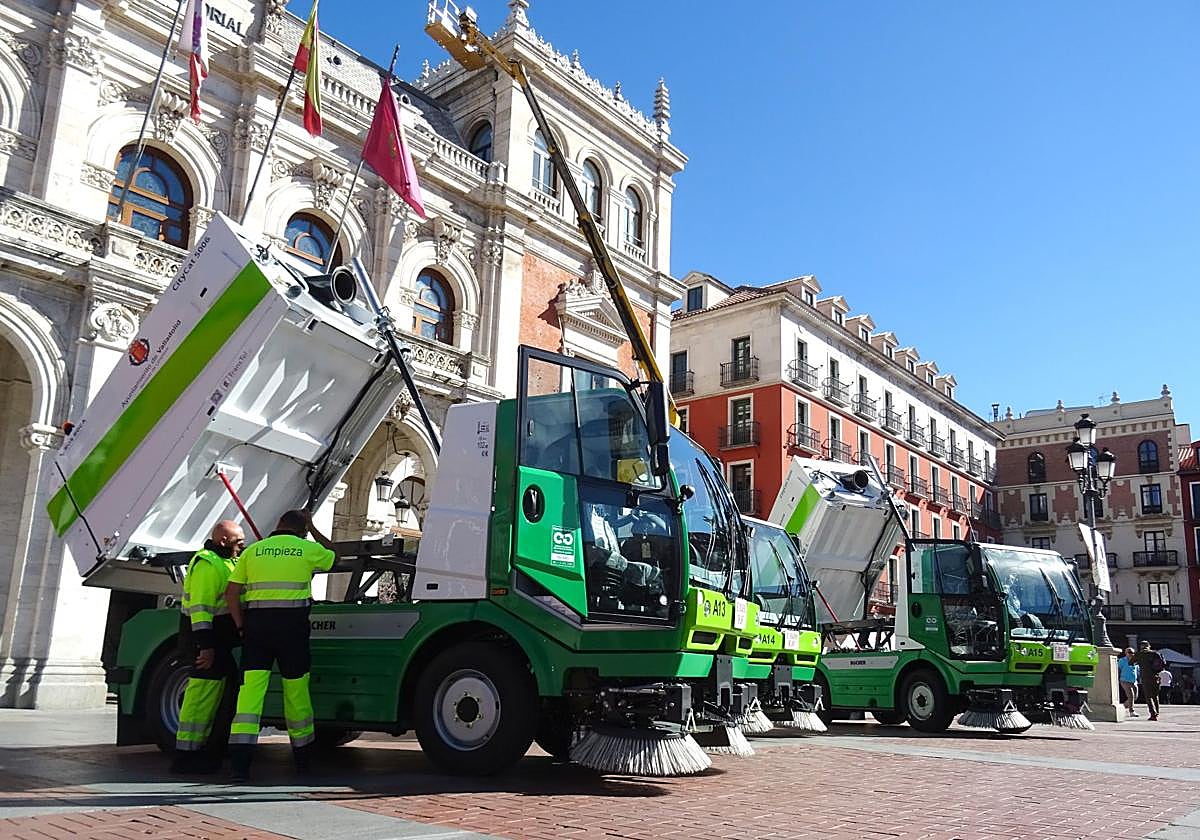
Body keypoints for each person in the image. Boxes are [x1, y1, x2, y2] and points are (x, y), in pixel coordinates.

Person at [225, 509, 336, 782]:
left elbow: (232, 593)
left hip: (256, 631)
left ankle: (239, 766)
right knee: (296, 694)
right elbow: (336, 555)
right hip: (292, 632)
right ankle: (302, 762)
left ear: (278, 523)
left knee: (249, 695)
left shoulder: (253, 551)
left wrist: (240, 625)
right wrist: (314, 529)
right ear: (303, 529)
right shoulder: (307, 549)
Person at [172, 520, 246, 773]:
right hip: (205, 641)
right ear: (223, 540)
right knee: (201, 697)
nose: (242, 545)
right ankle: (186, 755)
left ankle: (208, 749)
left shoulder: (227, 561)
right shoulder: (207, 564)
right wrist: (205, 647)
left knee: (221, 696)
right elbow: (201, 610)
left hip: (220, 642)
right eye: (238, 541)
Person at [1133, 640, 1166, 721]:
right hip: (1155, 677)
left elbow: (1130, 663)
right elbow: (1164, 663)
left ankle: (1153, 714)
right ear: (1149, 646)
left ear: (1141, 646)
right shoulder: (1156, 653)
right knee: (1155, 696)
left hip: (1145, 678)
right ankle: (1157, 712)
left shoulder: (1139, 654)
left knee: (1148, 697)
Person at [1116, 647, 1139, 717]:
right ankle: (1131, 711)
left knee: (1135, 697)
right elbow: (1118, 670)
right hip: (1124, 680)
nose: (1131, 654)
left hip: (1134, 681)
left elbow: (1137, 670)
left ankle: (1122, 707)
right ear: (1126, 653)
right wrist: (1117, 679)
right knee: (1131, 695)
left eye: (1133, 653)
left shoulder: (1135, 661)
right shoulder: (1122, 660)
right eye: (1129, 652)